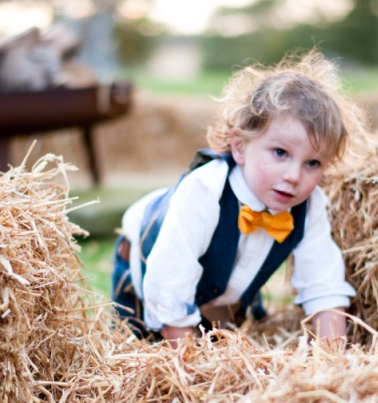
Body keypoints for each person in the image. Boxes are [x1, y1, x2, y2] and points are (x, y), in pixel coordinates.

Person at [111, 52, 362, 348]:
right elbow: (168, 281)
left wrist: (332, 360)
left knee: (230, 334)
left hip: (226, 285)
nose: (294, 175)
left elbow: (324, 284)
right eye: (280, 153)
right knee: (147, 343)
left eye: (313, 163)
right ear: (240, 147)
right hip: (150, 265)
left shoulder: (309, 205)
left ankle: (217, 315)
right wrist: (192, 368)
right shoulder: (204, 192)